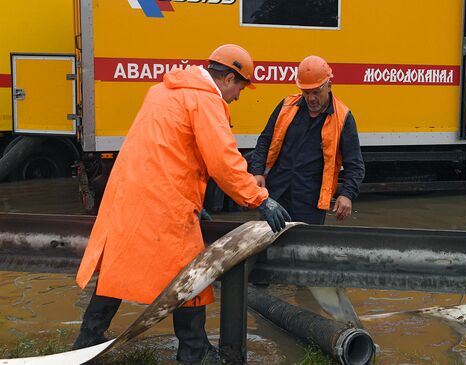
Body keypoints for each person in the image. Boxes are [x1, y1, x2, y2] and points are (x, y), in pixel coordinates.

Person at [73, 44, 290, 364]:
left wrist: (194, 199)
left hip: (130, 194)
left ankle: (87, 340)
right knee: (191, 273)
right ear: (229, 78)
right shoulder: (204, 99)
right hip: (162, 201)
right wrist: (261, 199)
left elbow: (171, 150)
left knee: (118, 265)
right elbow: (223, 161)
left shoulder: (163, 91)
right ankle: (194, 350)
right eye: (240, 88)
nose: (238, 97)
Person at [248, 55, 365, 224]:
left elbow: (355, 164)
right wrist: (257, 171)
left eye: (316, 92)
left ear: (329, 86)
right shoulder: (287, 106)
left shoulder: (343, 118)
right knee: (270, 246)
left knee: (304, 248)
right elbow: (265, 141)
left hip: (310, 203)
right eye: (306, 92)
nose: (311, 98)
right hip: (276, 195)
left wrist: (347, 194)